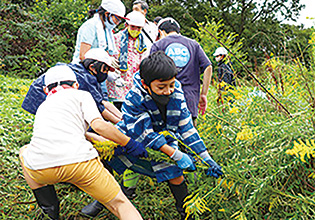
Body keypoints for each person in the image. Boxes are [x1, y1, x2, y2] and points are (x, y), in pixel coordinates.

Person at [81, 51, 223, 219]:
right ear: (145, 84)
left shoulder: (176, 91)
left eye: (171, 85)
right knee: (120, 162)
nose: (168, 91)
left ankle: (186, 212)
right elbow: (145, 134)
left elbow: (186, 127)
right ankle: (108, 199)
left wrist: (205, 157)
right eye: (161, 87)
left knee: (174, 173)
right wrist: (176, 154)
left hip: (164, 137)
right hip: (133, 139)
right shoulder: (134, 98)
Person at [19, 65, 146, 220]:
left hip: (41, 169)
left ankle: (50, 211)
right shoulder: (81, 95)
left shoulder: (43, 106)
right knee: (120, 204)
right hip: (80, 164)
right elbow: (99, 125)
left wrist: (111, 144)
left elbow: (80, 133)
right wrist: (129, 143)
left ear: (46, 90)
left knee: (24, 151)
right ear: (76, 85)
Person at [22, 48, 122, 124]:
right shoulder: (83, 79)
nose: (106, 74)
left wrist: (122, 118)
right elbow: (100, 110)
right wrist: (121, 125)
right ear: (92, 67)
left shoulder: (86, 72)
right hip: (41, 96)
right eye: (105, 70)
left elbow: (103, 101)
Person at [150, 17, 213, 124]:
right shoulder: (194, 44)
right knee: (189, 136)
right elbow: (208, 67)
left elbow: (150, 70)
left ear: (161, 32)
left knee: (167, 136)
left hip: (165, 98)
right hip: (190, 99)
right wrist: (203, 94)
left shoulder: (158, 45)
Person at [72, 0, 127, 100]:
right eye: (117, 19)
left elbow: (104, 51)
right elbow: (83, 55)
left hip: (98, 73)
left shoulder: (106, 30)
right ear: (107, 14)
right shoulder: (90, 27)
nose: (118, 23)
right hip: (84, 73)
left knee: (103, 99)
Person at [106, 11, 147, 110]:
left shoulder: (143, 42)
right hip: (119, 80)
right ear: (126, 25)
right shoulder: (116, 38)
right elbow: (109, 55)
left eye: (139, 28)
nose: (136, 30)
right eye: (133, 27)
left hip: (135, 81)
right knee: (120, 110)